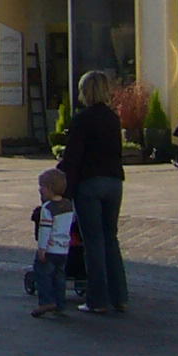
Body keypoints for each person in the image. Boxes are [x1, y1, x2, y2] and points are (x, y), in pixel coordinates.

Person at [62, 70, 128, 314]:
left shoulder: (82, 119)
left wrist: (64, 188)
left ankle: (97, 299)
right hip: (114, 181)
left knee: (93, 242)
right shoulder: (112, 118)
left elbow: (73, 157)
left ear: (85, 92)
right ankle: (119, 296)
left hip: (89, 182)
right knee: (111, 237)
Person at [29, 169, 74, 317]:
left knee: (43, 275)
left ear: (49, 188)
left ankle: (46, 302)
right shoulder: (68, 205)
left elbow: (45, 230)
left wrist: (42, 249)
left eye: (41, 186)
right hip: (63, 249)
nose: (39, 190)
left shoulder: (47, 208)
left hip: (50, 249)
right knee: (59, 277)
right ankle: (60, 303)